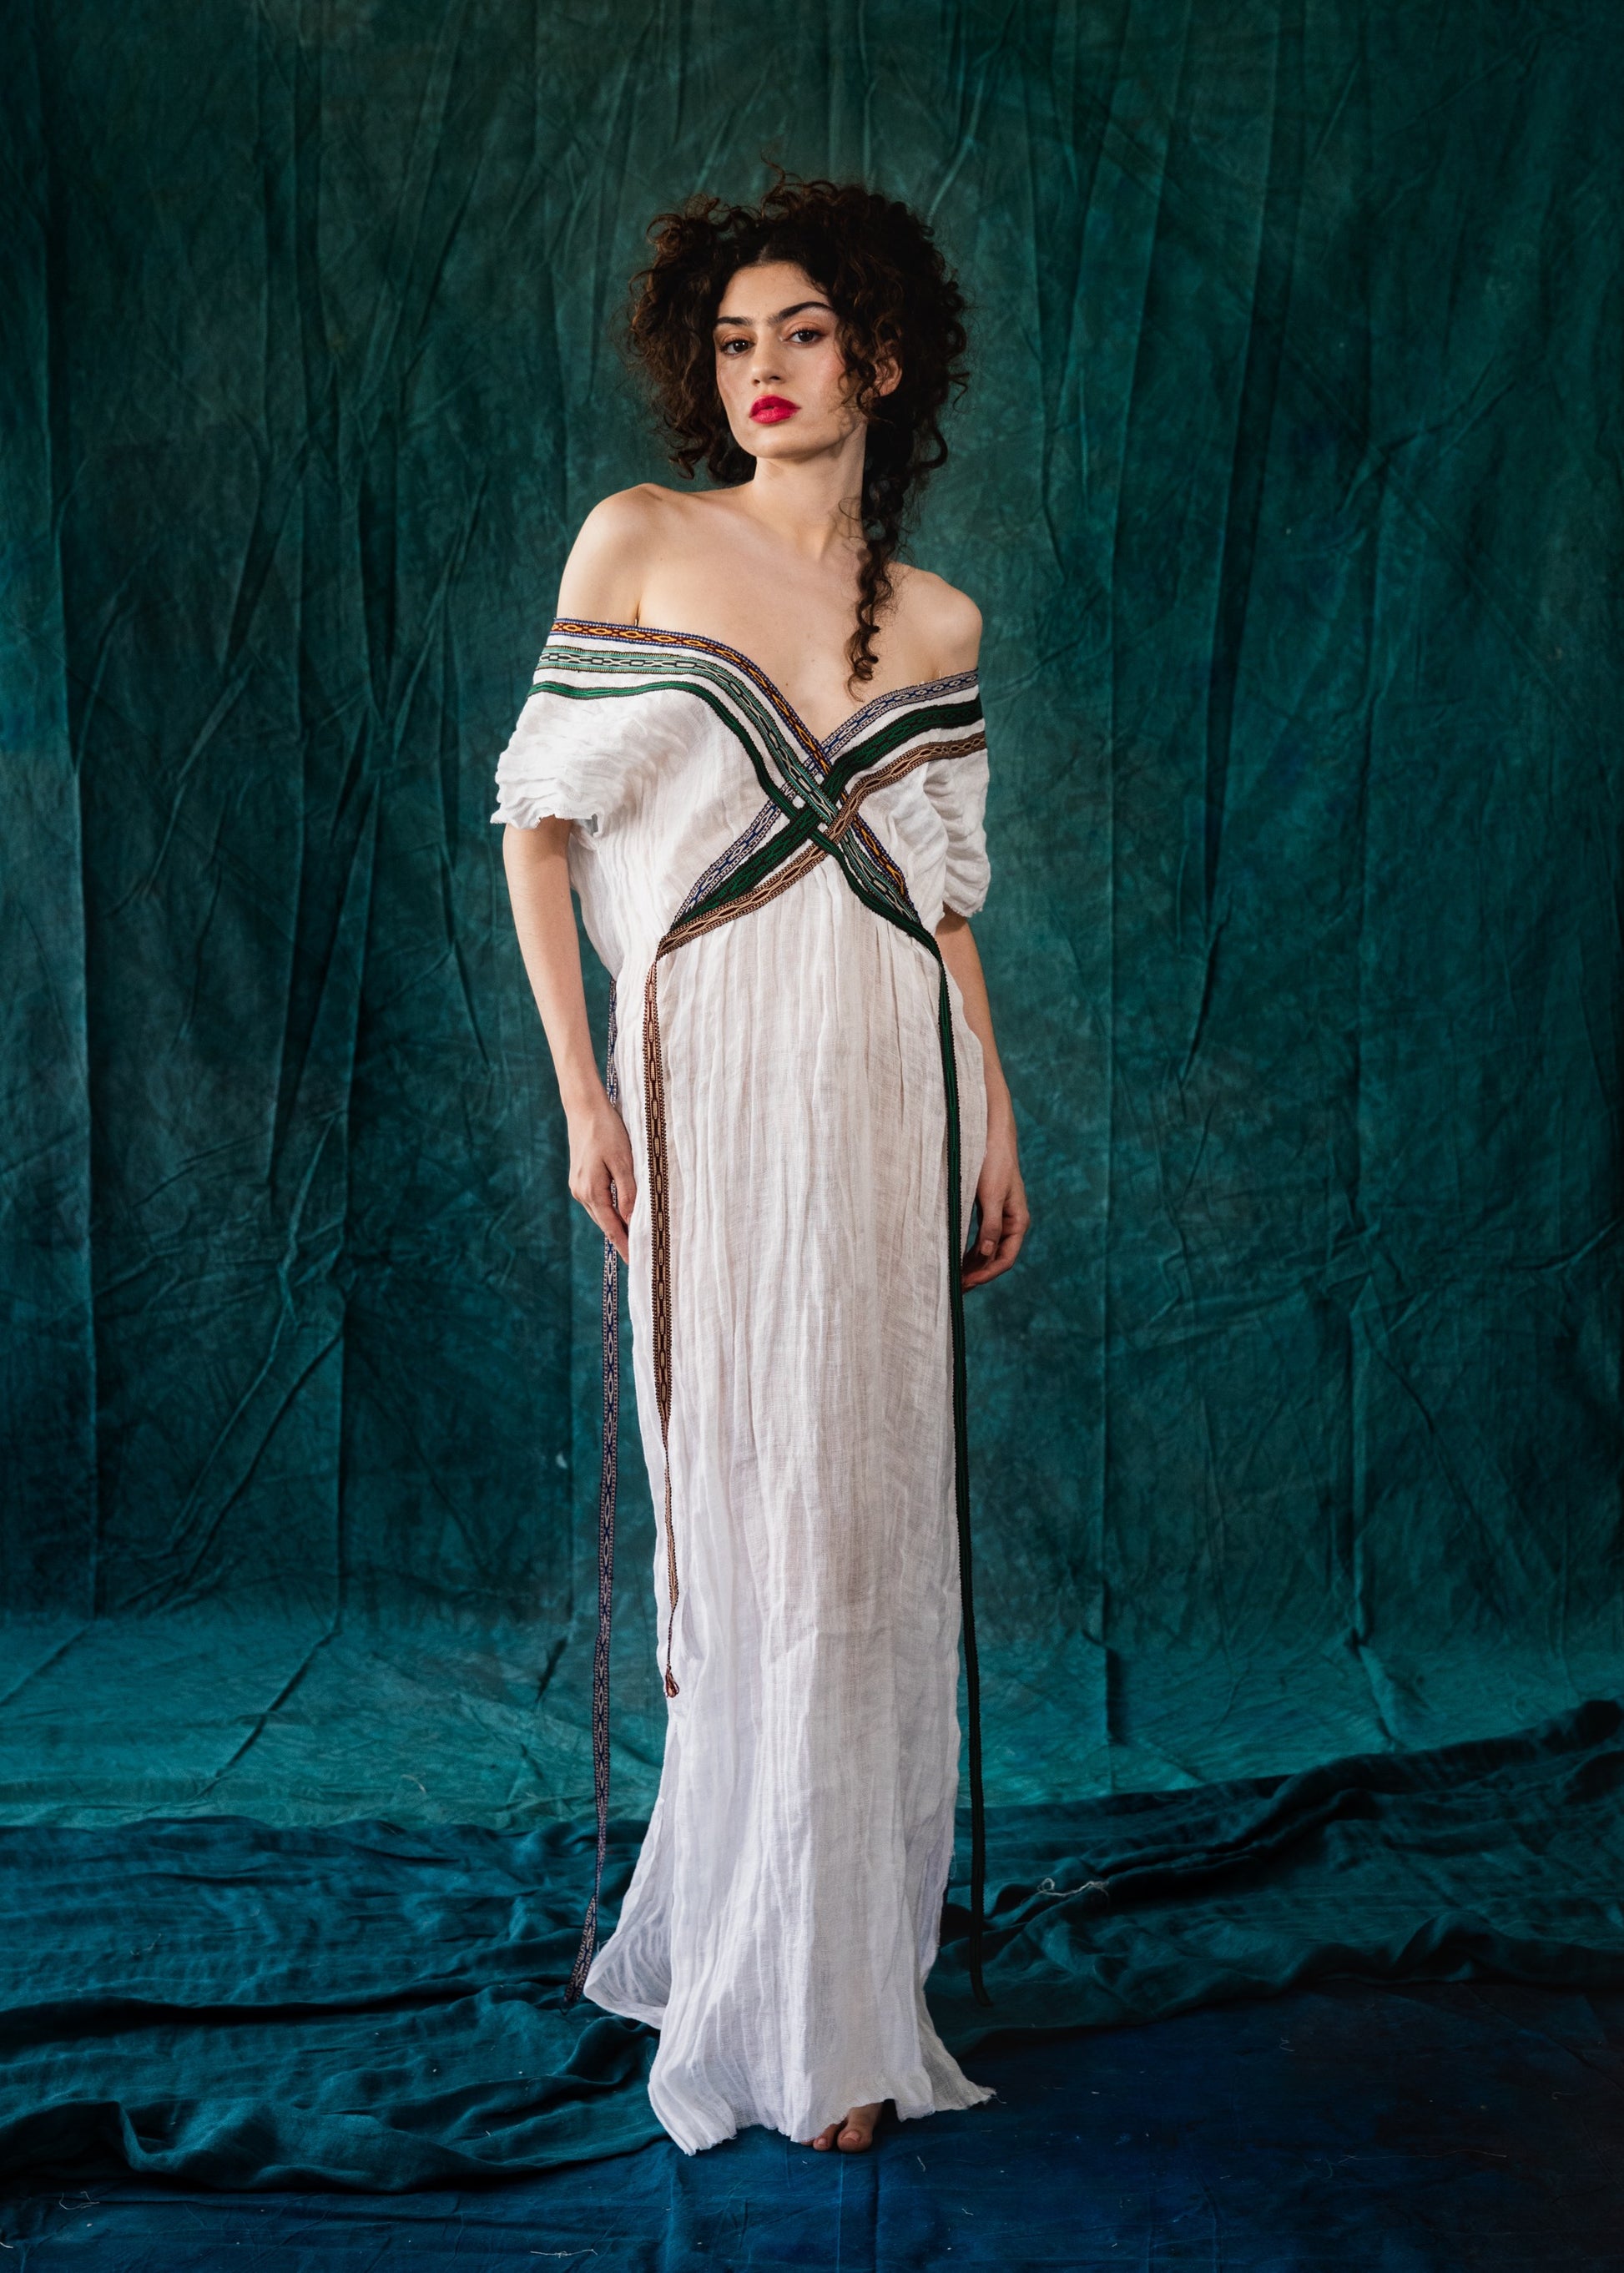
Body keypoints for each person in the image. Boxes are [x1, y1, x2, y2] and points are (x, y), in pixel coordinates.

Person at [492, 171, 1029, 2158]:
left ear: (881, 355)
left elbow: (939, 892)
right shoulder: (642, 538)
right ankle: (762, 1990)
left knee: (865, 1520)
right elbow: (539, 829)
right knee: (750, 1518)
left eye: (802, 333)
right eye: (733, 342)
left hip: (888, 1087)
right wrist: (582, 1097)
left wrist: (997, 1105)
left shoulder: (943, 620)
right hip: (707, 1083)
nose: (764, 372)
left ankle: (843, 1988)